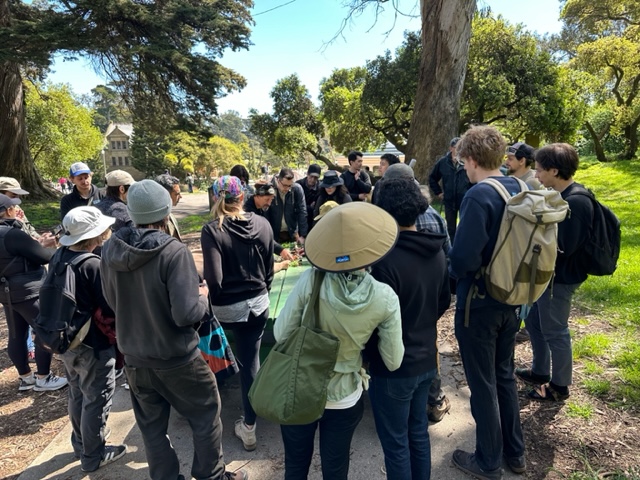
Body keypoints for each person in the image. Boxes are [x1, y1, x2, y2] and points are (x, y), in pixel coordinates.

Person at [101, 180, 247, 480]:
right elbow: (186, 314)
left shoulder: (109, 250)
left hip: (135, 358)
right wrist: (204, 297)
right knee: (206, 417)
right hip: (177, 357)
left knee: (152, 429)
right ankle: (212, 476)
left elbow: (111, 301)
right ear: (167, 213)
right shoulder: (172, 252)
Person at [275, 202, 405, 480]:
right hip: (344, 395)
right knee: (336, 470)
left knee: (295, 466)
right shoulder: (385, 297)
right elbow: (393, 361)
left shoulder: (312, 280)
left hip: (300, 388)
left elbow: (280, 333)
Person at [448, 125, 526, 479]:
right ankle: (515, 452)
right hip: (515, 298)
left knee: (483, 385)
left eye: (464, 161)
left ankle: (488, 460)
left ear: (472, 159)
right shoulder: (522, 187)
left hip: (479, 304)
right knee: (505, 376)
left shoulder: (479, 196)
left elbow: (464, 259)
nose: (464, 168)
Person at [367, 178, 450, 480]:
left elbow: (373, 320)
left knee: (396, 441)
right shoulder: (437, 250)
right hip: (427, 357)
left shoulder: (383, 262)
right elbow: (443, 301)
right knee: (418, 432)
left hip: (393, 366)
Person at [373, 163, 453, 421]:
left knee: (397, 432)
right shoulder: (436, 220)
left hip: (398, 311)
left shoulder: (387, 229)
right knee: (430, 351)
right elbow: (448, 257)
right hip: (427, 306)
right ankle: (435, 399)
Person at [201, 176, 274, 452]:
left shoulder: (212, 230)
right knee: (249, 363)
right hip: (258, 303)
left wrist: (211, 306)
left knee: (210, 354)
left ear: (215, 198)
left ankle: (206, 417)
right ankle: (250, 426)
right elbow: (268, 271)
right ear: (243, 197)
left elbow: (214, 280)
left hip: (226, 308)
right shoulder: (263, 224)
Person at [515, 143, 594, 402]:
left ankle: (560, 386)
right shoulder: (562, 196)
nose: (536, 176)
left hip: (561, 279)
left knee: (556, 330)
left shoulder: (576, 202)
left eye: (539, 171)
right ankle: (539, 371)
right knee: (535, 322)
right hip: (547, 277)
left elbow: (564, 248)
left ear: (555, 171)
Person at [56, 206, 127, 472]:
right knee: (97, 396)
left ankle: (81, 444)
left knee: (77, 392)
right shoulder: (92, 264)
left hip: (67, 340)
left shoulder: (60, 256)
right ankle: (93, 455)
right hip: (92, 344)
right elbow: (109, 306)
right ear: (95, 233)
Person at [0, 194, 68, 392]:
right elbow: (44, 257)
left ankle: (25, 377)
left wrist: (36, 243)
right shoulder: (12, 234)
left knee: (16, 334)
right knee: (44, 331)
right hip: (28, 292)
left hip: (7, 293)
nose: (17, 210)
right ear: (7, 211)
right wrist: (48, 245)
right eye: (14, 207)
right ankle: (43, 377)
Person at [428, 137, 470, 243]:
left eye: (462, 148)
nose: (460, 151)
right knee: (450, 228)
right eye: (457, 148)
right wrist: (439, 192)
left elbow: (474, 180)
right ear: (451, 148)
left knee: (465, 225)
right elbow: (432, 178)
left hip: (464, 199)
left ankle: (462, 246)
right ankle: (451, 248)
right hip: (449, 200)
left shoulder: (468, 162)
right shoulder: (443, 162)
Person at [244, 182, 294, 261]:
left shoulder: (261, 207)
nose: (269, 203)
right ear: (257, 196)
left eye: (271, 200)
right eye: (267, 199)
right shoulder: (248, 212)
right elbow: (260, 235)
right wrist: (280, 250)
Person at [0, 177, 54, 245]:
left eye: (18, 196)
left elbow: (29, 229)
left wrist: (40, 238)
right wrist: (13, 222)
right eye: (13, 196)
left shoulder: (16, 208)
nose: (17, 200)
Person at [265, 168, 308, 244]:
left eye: (289, 185)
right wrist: (267, 237)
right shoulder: (269, 190)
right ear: (278, 180)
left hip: (292, 233)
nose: (287, 188)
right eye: (284, 185)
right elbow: (265, 215)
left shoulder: (297, 189)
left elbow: (302, 212)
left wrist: (303, 235)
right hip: (274, 235)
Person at [154, 174, 182, 241]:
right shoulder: (152, 222)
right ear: (165, 195)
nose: (180, 196)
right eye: (177, 194)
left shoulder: (170, 216)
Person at [296, 164, 322, 231]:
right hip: (299, 219)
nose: (313, 180)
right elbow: (296, 205)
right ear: (307, 174)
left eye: (315, 178)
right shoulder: (298, 185)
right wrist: (309, 207)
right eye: (311, 177)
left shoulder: (321, 188)